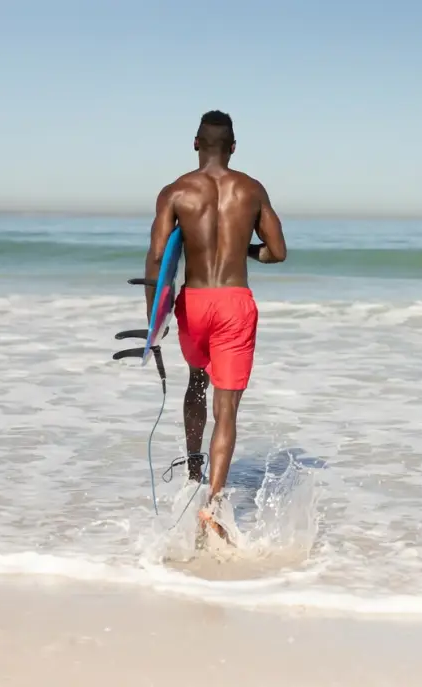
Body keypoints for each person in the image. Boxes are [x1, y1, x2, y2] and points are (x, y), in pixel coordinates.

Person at [144, 110, 287, 543]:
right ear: (233, 147)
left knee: (195, 381)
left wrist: (156, 323)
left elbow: (157, 260)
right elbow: (277, 252)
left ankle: (192, 473)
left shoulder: (175, 192)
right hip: (234, 303)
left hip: (195, 302)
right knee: (227, 408)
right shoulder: (251, 190)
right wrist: (243, 251)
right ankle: (214, 503)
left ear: (195, 144)